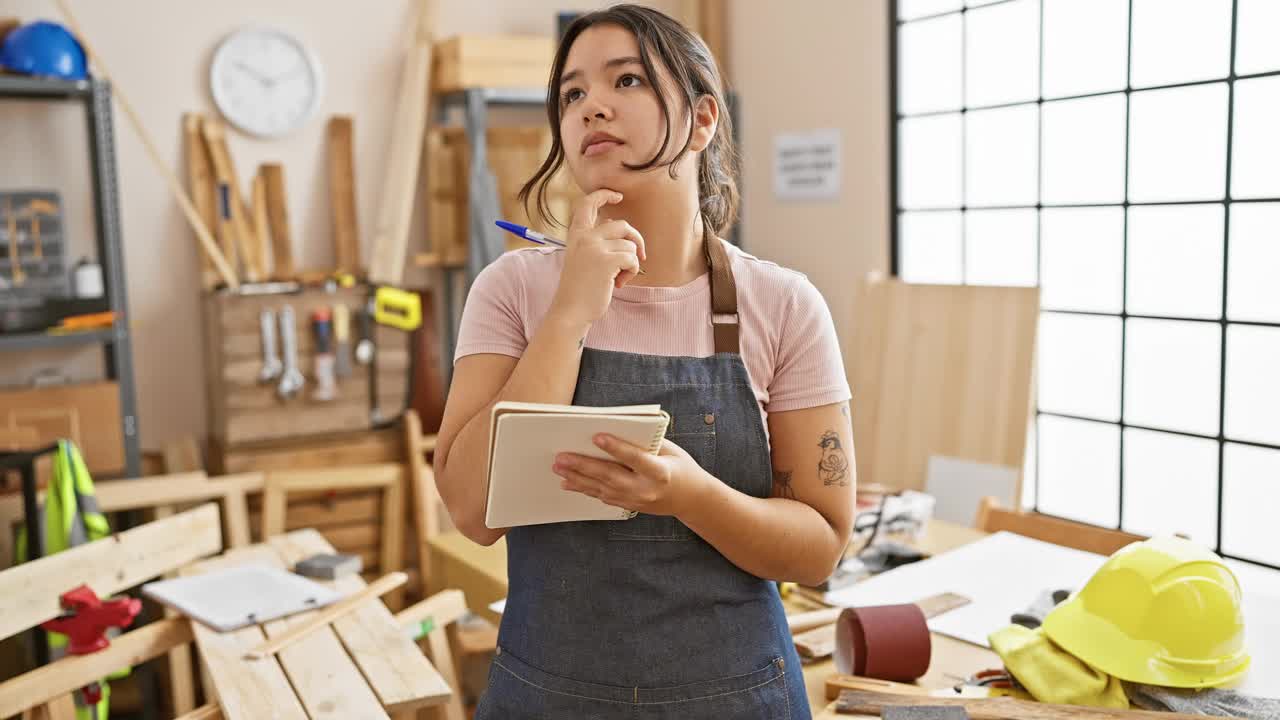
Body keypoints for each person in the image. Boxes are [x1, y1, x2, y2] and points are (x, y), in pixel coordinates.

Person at [433, 5, 854, 718]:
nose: (591, 105)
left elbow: (820, 546)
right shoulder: (513, 290)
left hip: (737, 700)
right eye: (571, 94)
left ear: (702, 121)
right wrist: (570, 314)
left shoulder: (783, 305)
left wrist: (691, 497)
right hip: (548, 699)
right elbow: (473, 510)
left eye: (625, 79)